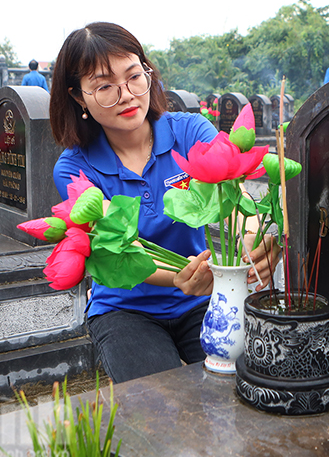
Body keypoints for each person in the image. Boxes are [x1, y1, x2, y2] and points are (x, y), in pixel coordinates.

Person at [50, 22, 278, 384]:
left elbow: (234, 194)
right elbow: (123, 247)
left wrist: (251, 242)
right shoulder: (75, 169)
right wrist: (180, 277)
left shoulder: (189, 131)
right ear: (79, 97)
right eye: (105, 86)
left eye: (133, 76)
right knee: (163, 406)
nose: (126, 94)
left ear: (148, 74)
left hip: (203, 298)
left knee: (243, 385)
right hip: (126, 309)